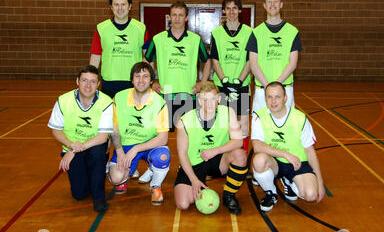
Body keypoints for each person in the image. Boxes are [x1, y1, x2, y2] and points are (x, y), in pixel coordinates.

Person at [174, 81, 248, 215]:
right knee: (183, 204)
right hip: (193, 163)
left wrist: (216, 150)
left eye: (213, 99)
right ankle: (198, 181)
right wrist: (194, 180)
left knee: (240, 155)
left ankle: (229, 195)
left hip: (218, 160)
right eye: (204, 99)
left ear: (219, 99)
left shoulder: (228, 112)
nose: (209, 103)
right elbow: (182, 154)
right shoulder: (185, 120)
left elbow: (238, 141)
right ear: (199, 100)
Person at [251, 81, 325, 211]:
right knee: (259, 160)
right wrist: (285, 154)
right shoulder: (259, 116)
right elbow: (257, 146)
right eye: (269, 97)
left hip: (297, 163)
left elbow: (310, 151)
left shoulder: (300, 118)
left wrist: (320, 182)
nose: (273, 101)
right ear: (265, 98)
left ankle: (289, 181)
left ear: (285, 98)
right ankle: (271, 192)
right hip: (275, 162)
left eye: (278, 97)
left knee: (311, 195)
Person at [48, 65, 113, 213]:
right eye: (84, 80)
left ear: (98, 84)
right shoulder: (63, 101)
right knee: (79, 194)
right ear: (77, 81)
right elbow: (56, 130)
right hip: (73, 147)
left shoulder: (106, 102)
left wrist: (75, 149)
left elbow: (103, 137)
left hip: (95, 145)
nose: (88, 85)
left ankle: (99, 198)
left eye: (92, 81)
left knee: (97, 153)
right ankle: (94, 174)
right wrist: (71, 146)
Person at [108, 62, 170, 204]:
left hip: (149, 145)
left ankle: (155, 186)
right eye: (137, 76)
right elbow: (114, 129)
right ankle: (123, 174)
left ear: (151, 80)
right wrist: (120, 151)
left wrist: (136, 149)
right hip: (126, 145)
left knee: (162, 156)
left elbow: (162, 139)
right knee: (117, 178)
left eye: (145, 76)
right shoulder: (119, 98)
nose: (141, 80)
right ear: (132, 79)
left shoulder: (159, 102)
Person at [145, 1, 211, 132]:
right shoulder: (158, 39)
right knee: (162, 134)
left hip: (189, 94)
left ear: (186, 18)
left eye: (180, 15)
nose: (177, 18)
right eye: (174, 15)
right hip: (166, 94)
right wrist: (151, 83)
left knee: (190, 133)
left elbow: (207, 61)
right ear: (169, 17)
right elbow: (147, 61)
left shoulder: (195, 39)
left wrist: (202, 83)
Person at [246, 0, 302, 112]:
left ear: (281, 5)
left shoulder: (292, 31)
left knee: (285, 129)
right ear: (264, 6)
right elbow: (253, 64)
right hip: (262, 89)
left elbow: (293, 63)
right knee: (259, 128)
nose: (272, 5)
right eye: (269, 2)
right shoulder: (256, 33)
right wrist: (268, 86)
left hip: (285, 89)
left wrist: (276, 87)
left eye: (275, 1)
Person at [210, 0, 252, 152]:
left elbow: (250, 60)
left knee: (242, 123)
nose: (232, 11)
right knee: (221, 123)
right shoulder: (216, 33)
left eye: (235, 8)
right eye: (228, 8)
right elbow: (215, 59)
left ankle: (242, 161)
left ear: (240, 10)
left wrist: (239, 81)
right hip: (222, 86)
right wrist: (225, 81)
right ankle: (221, 159)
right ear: (223, 11)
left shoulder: (249, 32)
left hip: (241, 85)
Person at [89, 0, 150, 98]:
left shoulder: (140, 28)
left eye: (123, 4)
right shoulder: (101, 28)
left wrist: (146, 79)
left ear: (130, 6)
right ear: (111, 7)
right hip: (108, 83)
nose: (120, 8)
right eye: (116, 5)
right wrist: (91, 80)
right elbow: (95, 57)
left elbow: (148, 57)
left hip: (133, 82)